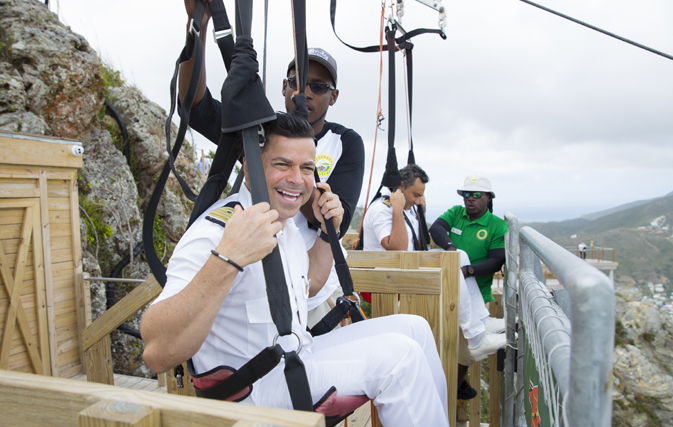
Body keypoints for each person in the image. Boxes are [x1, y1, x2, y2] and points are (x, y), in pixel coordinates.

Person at [141, 113, 449, 427]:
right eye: (282, 164)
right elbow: (157, 352)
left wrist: (329, 232)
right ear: (249, 167)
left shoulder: (282, 225)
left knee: (415, 328)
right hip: (250, 392)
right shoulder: (217, 230)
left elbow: (310, 284)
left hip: (296, 356)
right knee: (400, 358)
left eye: (307, 168)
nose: (297, 179)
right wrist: (227, 258)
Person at [179, 0, 365, 327]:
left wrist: (281, 172)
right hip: (261, 285)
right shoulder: (256, 133)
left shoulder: (346, 143)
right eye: (296, 81)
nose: (303, 92)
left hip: (319, 291)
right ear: (283, 86)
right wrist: (198, 26)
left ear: (333, 96)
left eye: (318, 86)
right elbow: (195, 106)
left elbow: (335, 217)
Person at [363, 168, 505, 401]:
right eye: (416, 195)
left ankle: (480, 323)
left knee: (458, 255)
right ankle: (476, 336)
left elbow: (418, 240)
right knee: (454, 259)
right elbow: (397, 246)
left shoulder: (408, 210)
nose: (419, 200)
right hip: (393, 283)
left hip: (407, 275)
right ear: (400, 188)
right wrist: (398, 207)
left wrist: (416, 210)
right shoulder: (383, 210)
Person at [429, 175, 508, 400]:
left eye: (476, 195)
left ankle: (449, 395)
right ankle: (447, 393)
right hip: (446, 290)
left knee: (464, 353)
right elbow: (436, 228)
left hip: (474, 294)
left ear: (488, 198)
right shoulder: (456, 213)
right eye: (466, 195)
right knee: (443, 345)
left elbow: (496, 261)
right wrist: (451, 248)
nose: (470, 200)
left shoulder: (496, 226)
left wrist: (467, 271)